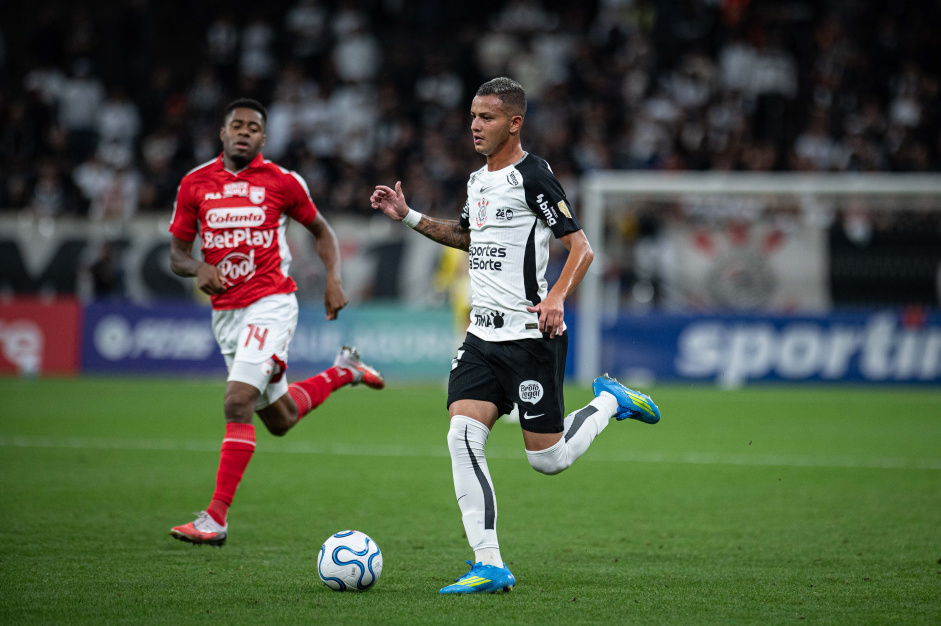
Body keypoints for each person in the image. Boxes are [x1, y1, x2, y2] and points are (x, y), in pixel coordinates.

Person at [370, 77, 661, 594]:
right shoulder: (476, 181)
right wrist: (408, 215)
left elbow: (582, 248)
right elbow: (466, 236)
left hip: (531, 336)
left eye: (487, 117)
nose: (475, 125)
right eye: (473, 116)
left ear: (514, 122)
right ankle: (489, 563)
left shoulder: (534, 176)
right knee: (462, 434)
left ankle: (610, 402)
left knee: (547, 459)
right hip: (482, 336)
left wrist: (556, 297)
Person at [168, 98, 384, 547]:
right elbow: (177, 255)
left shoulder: (283, 182)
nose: (244, 132)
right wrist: (198, 269)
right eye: (237, 125)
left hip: (271, 303)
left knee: (236, 402)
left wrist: (333, 279)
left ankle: (215, 519)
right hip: (226, 313)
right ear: (222, 133)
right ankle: (344, 370)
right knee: (280, 419)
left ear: (264, 137)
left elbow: (322, 230)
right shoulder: (194, 184)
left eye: (253, 127)